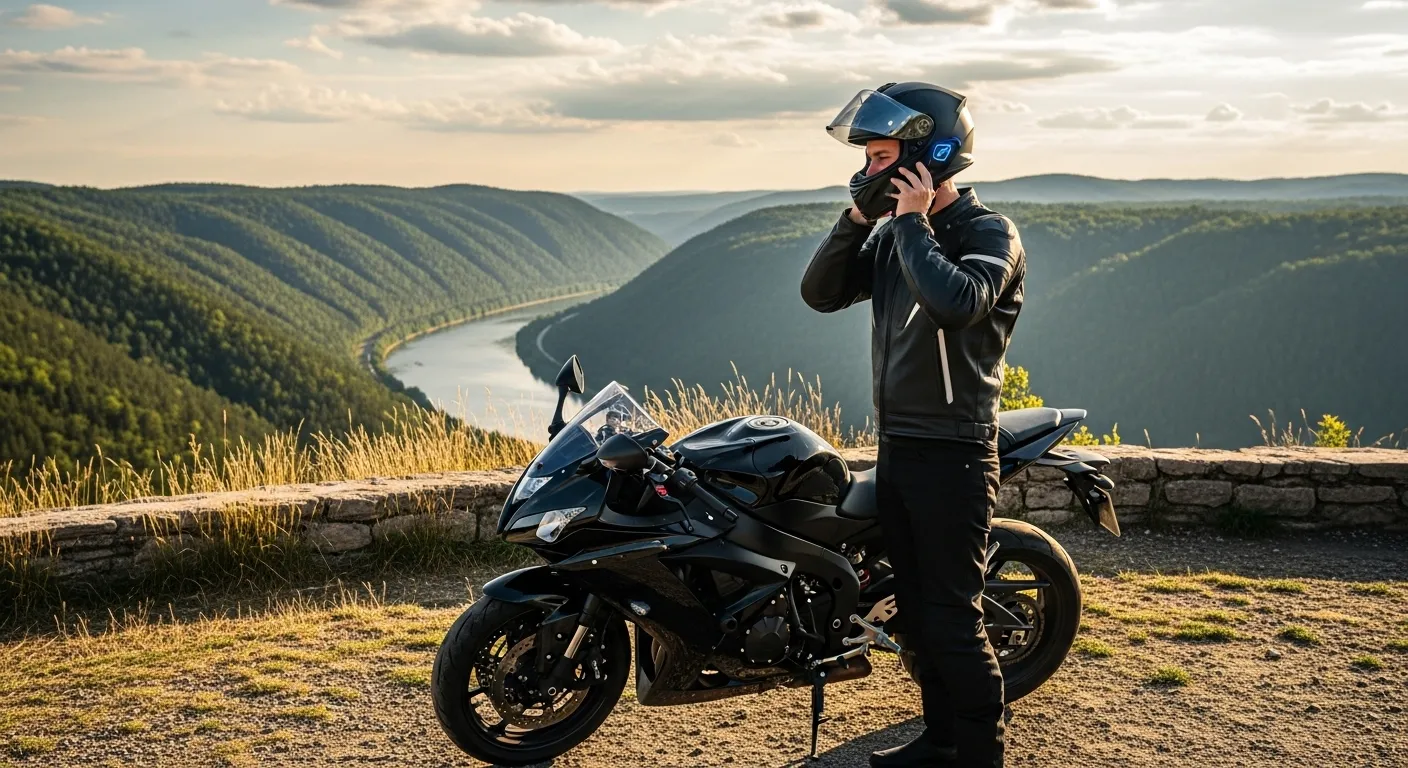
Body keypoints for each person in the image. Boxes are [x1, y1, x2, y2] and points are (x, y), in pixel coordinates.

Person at [800, 82, 1025, 768]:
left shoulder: (989, 235)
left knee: (955, 618)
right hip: (899, 450)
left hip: (954, 455)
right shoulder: (900, 234)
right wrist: (855, 221)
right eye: (865, 156)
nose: (869, 170)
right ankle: (940, 741)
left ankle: (983, 757)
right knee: (920, 618)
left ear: (926, 156)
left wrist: (911, 223)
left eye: (880, 155)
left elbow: (957, 302)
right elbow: (821, 293)